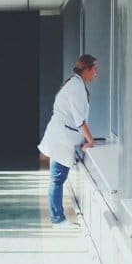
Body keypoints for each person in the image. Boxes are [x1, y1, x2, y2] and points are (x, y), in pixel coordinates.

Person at [38, 54, 98, 227]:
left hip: (62, 137)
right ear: (86, 69)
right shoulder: (76, 87)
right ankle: (57, 219)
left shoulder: (75, 83)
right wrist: (91, 141)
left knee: (57, 179)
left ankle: (58, 217)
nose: (96, 73)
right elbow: (80, 121)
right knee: (57, 179)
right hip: (60, 140)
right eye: (94, 69)